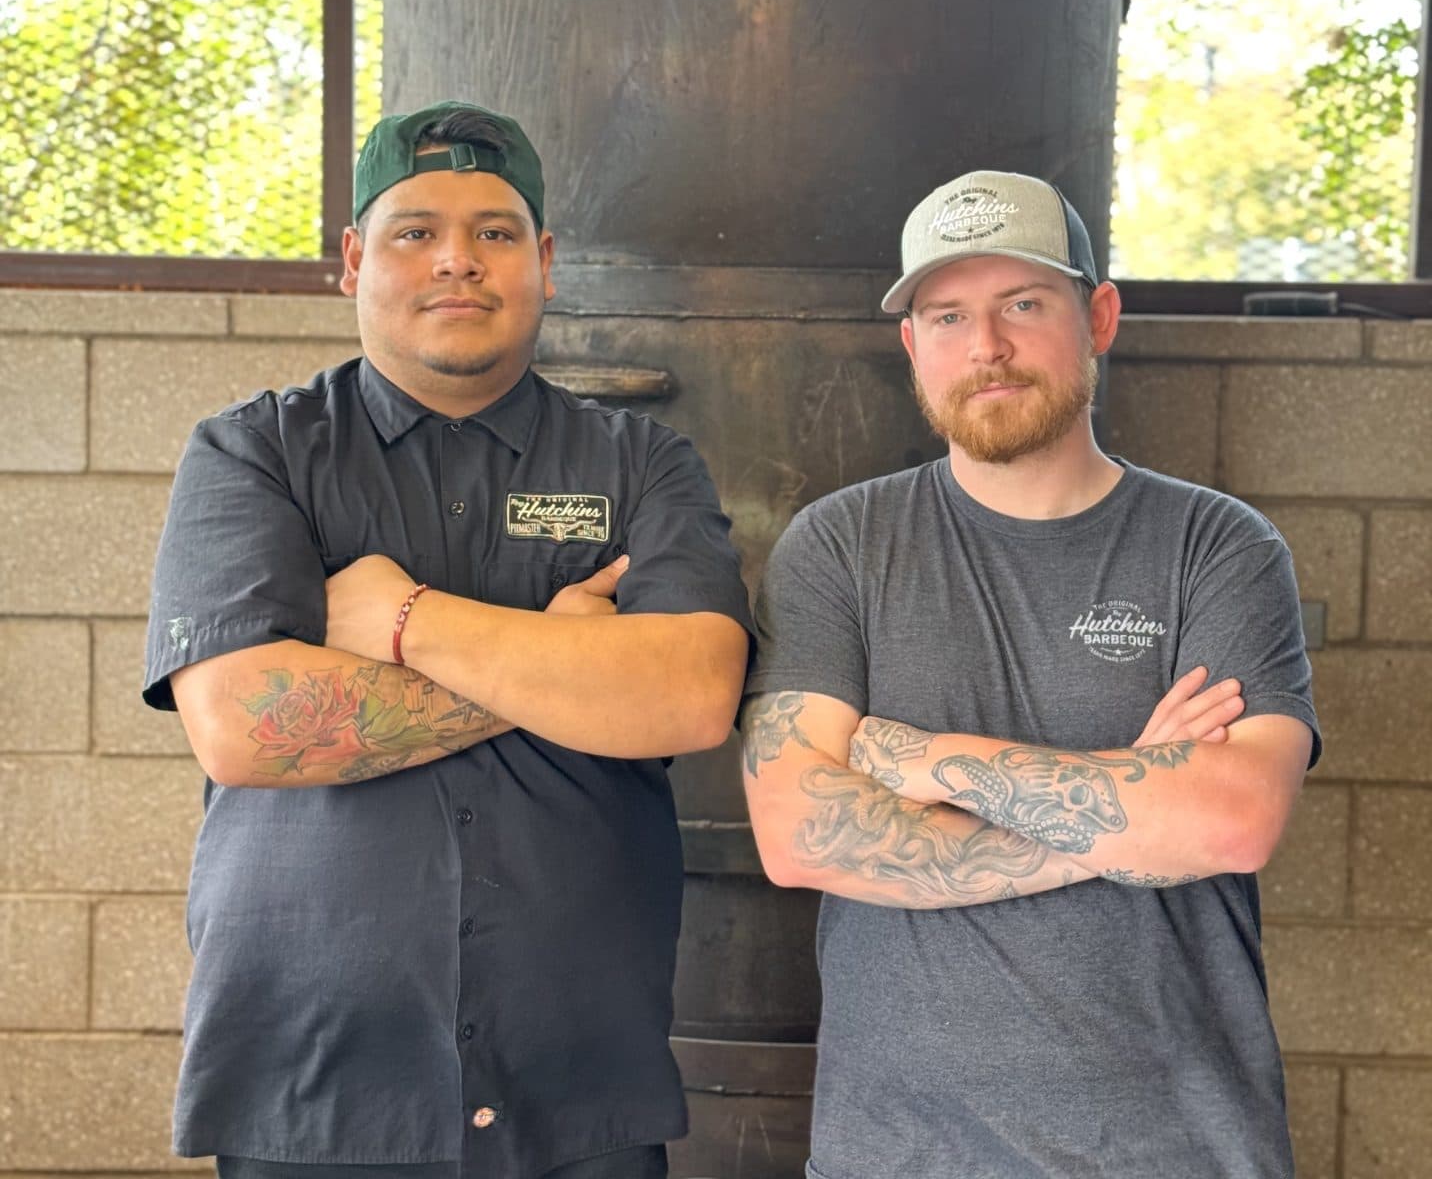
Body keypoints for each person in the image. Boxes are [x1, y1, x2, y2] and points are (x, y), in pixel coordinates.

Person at [144, 101, 752, 1179]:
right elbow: (245, 727)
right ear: (353, 260)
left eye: (496, 232)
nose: (457, 261)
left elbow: (691, 695)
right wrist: (562, 665)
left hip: (576, 1090)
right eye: (415, 230)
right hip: (313, 1088)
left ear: (545, 260)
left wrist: (407, 624)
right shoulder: (254, 454)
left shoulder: (643, 463)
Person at [741, 169, 1319, 1179]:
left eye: (1022, 304)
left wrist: (930, 760)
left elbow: (1229, 821)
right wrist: (1130, 817)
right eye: (948, 315)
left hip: (1178, 1150)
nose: (987, 347)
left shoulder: (1217, 547)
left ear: (1097, 315)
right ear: (912, 344)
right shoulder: (839, 545)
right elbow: (798, 834)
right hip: (903, 1153)